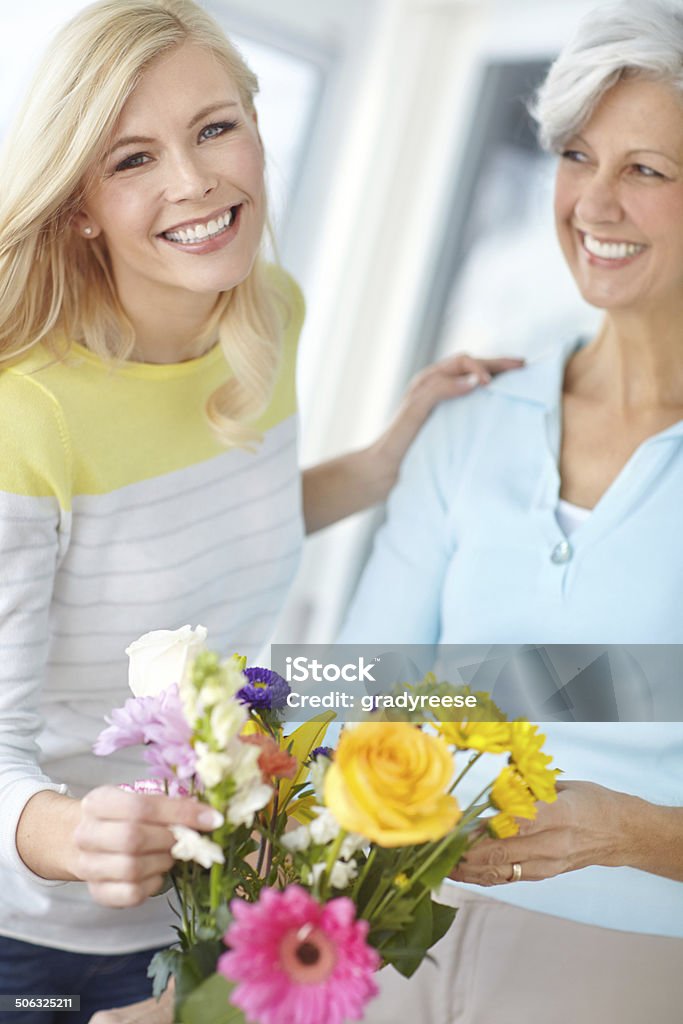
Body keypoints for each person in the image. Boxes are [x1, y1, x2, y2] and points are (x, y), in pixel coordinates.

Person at [0, 1, 521, 1021]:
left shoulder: (268, 309)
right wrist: (69, 832)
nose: (193, 182)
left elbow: (208, 530)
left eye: (212, 128)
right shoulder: (28, 415)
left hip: (209, 909)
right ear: (78, 207)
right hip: (35, 941)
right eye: (131, 158)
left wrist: (382, 462)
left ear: (255, 128)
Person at [340, 1, 683, 1021]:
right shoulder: (474, 422)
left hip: (628, 950)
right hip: (397, 922)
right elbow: (356, 696)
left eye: (646, 170)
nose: (593, 203)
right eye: (577, 155)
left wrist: (642, 832)